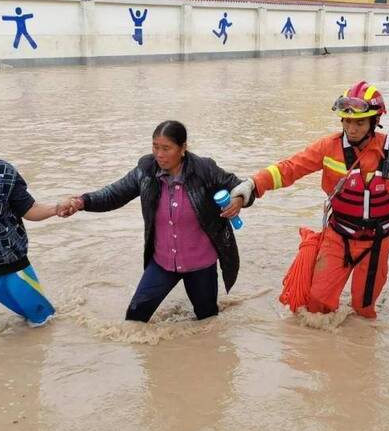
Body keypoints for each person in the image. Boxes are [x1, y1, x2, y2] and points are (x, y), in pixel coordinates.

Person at [231, 81, 389, 319]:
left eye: (359, 123)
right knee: (317, 305)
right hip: (339, 236)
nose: (351, 129)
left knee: (364, 310)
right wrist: (253, 184)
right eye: (347, 121)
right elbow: (290, 168)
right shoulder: (328, 147)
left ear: (374, 122)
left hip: (377, 242)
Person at [62, 120, 253, 323]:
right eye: (155, 147)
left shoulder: (204, 169)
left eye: (166, 148)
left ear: (183, 148)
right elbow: (115, 193)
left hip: (200, 264)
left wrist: (238, 200)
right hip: (162, 263)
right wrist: (82, 202)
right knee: (134, 318)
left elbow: (241, 187)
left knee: (208, 322)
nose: (159, 154)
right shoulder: (146, 171)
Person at [0, 114, 66, 332]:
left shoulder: (1, 172)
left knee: (47, 326)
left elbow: (29, 209)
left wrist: (56, 209)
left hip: (14, 274)